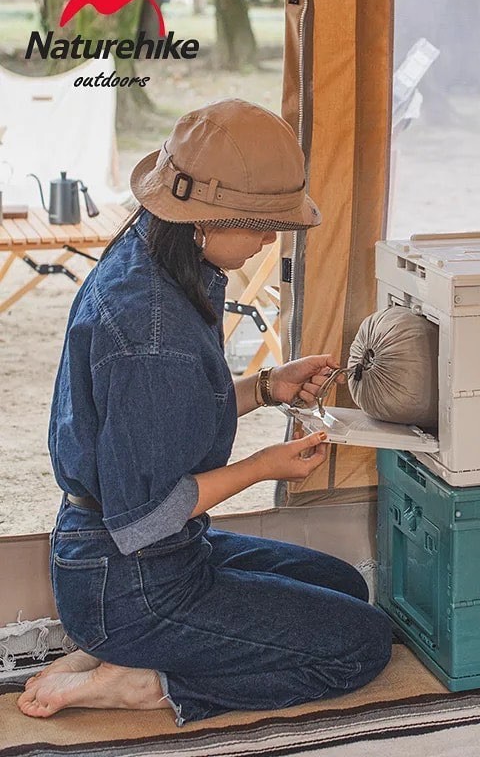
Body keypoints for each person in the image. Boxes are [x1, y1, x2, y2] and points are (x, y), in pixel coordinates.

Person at [16, 99, 393, 725]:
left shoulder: (158, 257)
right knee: (360, 645)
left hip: (148, 558)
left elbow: (171, 416)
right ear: (206, 219)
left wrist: (269, 386)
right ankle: (147, 682)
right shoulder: (153, 331)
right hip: (132, 583)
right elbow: (144, 519)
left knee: (345, 589)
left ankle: (114, 653)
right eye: (262, 223)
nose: (272, 238)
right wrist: (263, 466)